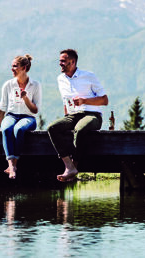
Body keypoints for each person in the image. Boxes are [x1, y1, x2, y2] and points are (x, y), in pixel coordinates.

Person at [47, 49, 108, 182]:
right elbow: (65, 101)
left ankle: (75, 165)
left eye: (63, 61)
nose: (60, 64)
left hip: (92, 115)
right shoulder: (60, 79)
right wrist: (65, 119)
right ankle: (68, 165)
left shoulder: (88, 76)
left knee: (80, 129)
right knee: (53, 128)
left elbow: (104, 100)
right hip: (72, 115)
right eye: (60, 61)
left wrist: (84, 101)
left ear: (72, 62)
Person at [0, 54, 42, 179]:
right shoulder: (8, 84)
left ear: (24, 68)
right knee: (7, 128)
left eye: (15, 66)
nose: (12, 69)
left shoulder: (35, 85)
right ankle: (11, 165)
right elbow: (2, 106)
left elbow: (35, 110)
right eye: (12, 66)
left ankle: (15, 164)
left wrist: (25, 98)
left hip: (28, 118)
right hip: (11, 115)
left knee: (19, 129)